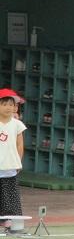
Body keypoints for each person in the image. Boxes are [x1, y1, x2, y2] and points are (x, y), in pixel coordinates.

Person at [0, 89, 27, 230]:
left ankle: (11, 221)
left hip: (10, 165)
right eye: (4, 104)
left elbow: (20, 144)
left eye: (11, 105)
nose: (8, 107)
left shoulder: (17, 124)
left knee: (10, 195)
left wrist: (19, 161)